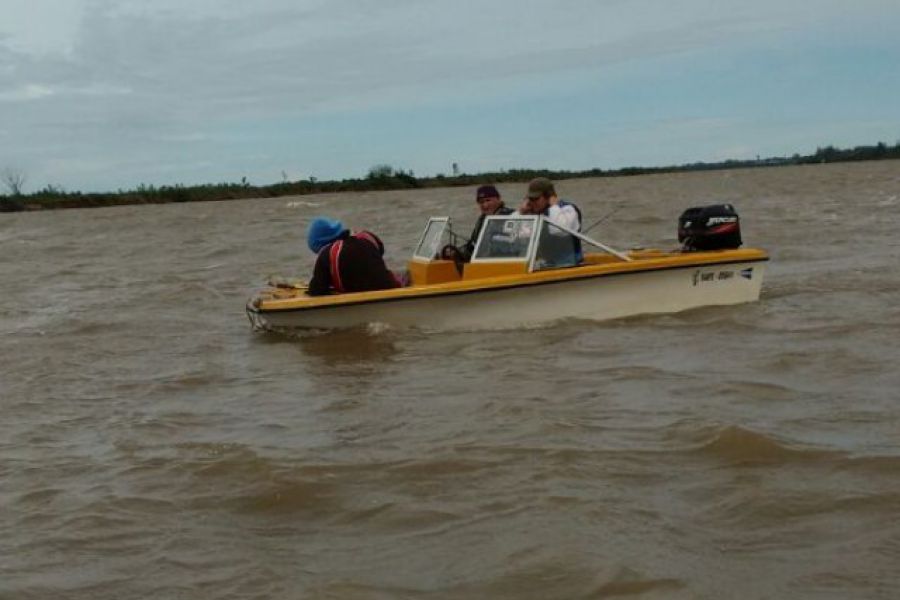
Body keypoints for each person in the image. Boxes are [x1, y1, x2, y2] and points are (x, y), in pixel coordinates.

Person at [306, 217, 401, 296]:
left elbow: (316, 290)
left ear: (321, 245)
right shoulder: (368, 236)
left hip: (361, 301)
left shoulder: (326, 253)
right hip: (390, 289)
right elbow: (379, 252)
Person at [518, 177, 583, 266]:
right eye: (530, 199)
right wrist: (522, 214)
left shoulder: (568, 209)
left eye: (536, 199)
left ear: (548, 197)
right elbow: (521, 237)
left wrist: (553, 206)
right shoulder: (536, 214)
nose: (532, 202)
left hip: (570, 264)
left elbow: (558, 230)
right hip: (547, 264)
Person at [441, 184, 514, 263]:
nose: (485, 205)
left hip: (503, 264)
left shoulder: (512, 216)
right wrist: (456, 252)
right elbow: (472, 246)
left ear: (498, 199)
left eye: (488, 200)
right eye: (481, 202)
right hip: (481, 263)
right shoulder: (482, 219)